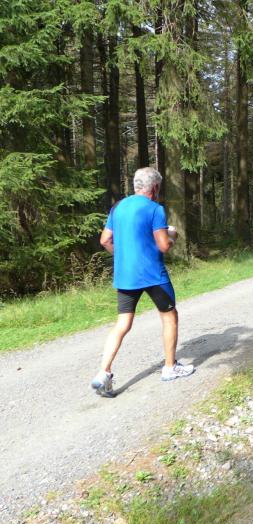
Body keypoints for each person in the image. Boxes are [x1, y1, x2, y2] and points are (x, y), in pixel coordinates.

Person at [91, 167, 194, 398]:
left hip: (125, 275)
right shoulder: (155, 209)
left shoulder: (118, 207)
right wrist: (172, 236)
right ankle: (170, 368)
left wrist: (123, 256)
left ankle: (103, 373)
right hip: (153, 275)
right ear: (155, 187)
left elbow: (105, 240)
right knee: (169, 316)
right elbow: (164, 245)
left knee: (122, 324)